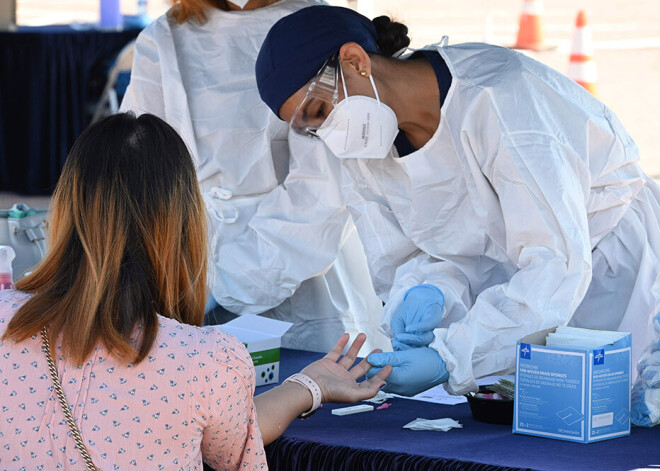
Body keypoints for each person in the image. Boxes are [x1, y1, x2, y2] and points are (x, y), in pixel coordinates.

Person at [254, 5, 660, 425]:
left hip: (611, 277)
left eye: (319, 112)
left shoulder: (501, 99)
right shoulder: (364, 142)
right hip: (519, 311)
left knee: (616, 425)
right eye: (309, 129)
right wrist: (426, 292)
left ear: (355, 60)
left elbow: (554, 263)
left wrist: (451, 357)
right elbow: (410, 256)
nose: (327, 136)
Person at [0, 113, 391, 469]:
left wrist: (310, 384)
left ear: (66, 208)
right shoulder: (206, 361)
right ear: (183, 224)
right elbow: (236, 446)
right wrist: (312, 386)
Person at [119, 0, 387, 354]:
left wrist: (229, 281)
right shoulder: (165, 37)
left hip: (301, 259)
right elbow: (140, 163)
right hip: (187, 258)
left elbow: (322, 190)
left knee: (300, 382)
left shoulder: (309, 26)